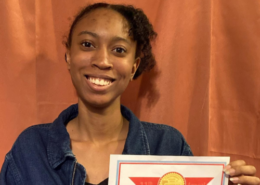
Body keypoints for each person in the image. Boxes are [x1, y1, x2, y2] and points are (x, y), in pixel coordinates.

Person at [0, 2, 259, 185]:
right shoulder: (29, 150)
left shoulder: (168, 147)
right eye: (87, 44)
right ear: (69, 56)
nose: (102, 61)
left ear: (135, 66)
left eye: (119, 50)